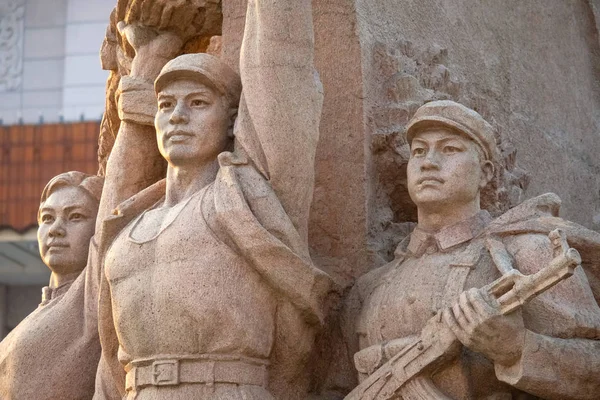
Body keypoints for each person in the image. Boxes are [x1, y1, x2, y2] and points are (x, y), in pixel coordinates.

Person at [92, 1, 331, 399]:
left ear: (233, 118)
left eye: (198, 103)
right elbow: (109, 358)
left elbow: (280, 64)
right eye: (166, 105)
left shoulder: (246, 197)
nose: (178, 116)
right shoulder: (127, 226)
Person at [345, 100, 600, 399]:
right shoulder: (367, 290)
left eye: (449, 149)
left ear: (485, 173)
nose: (428, 162)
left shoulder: (529, 251)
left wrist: (516, 348)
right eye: (418, 151)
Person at [0, 171, 104, 400]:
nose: (55, 229)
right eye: (47, 218)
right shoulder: (33, 318)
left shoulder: (92, 295)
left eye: (75, 216)